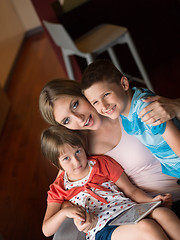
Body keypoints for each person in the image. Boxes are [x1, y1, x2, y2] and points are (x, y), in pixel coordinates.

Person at [39, 78, 180, 213]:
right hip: (156, 207)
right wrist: (67, 208)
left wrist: (175, 106)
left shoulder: (120, 105)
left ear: (83, 93)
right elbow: (61, 191)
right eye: (66, 120)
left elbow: (167, 112)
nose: (79, 118)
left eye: (75, 105)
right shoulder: (78, 149)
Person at [41, 125, 180, 240]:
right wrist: (64, 212)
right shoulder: (58, 188)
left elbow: (130, 191)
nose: (76, 161)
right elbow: (47, 230)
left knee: (164, 214)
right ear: (56, 163)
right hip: (104, 228)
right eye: (66, 158)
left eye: (78, 151)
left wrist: (152, 201)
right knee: (147, 227)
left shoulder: (101, 163)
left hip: (130, 211)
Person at [81, 59, 180, 179]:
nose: (103, 106)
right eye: (95, 102)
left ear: (124, 84)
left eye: (106, 94)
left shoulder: (146, 109)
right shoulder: (124, 108)